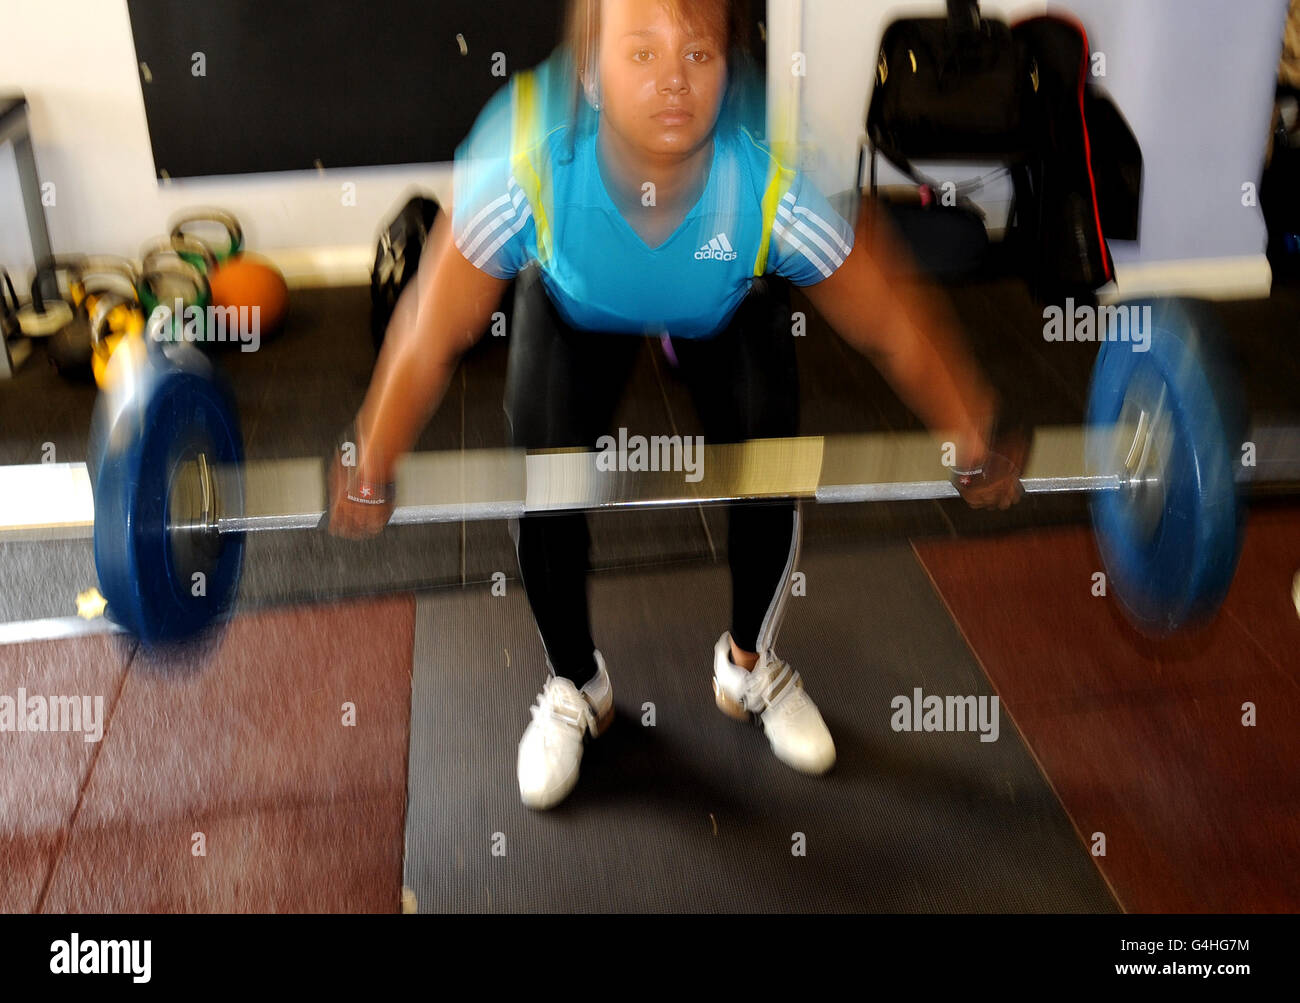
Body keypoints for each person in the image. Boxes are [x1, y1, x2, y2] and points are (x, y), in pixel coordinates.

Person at [329, 0, 1027, 810]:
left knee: (771, 462)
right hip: (573, 304)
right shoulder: (524, 155)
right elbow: (430, 330)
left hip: (719, 303)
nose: (673, 82)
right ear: (590, 69)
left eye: (698, 55)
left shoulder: (771, 169)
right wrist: (371, 451)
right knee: (545, 480)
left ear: (727, 66)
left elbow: (891, 322)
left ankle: (748, 664)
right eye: (642, 53)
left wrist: (972, 429)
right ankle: (576, 685)